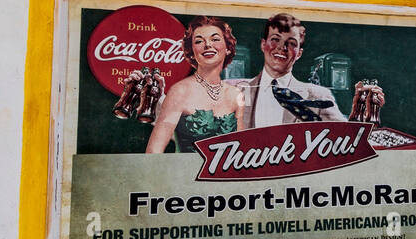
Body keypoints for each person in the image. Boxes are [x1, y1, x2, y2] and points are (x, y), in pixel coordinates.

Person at [145, 16, 247, 153]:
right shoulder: (180, 91)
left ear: (228, 48)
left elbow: (241, 149)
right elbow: (153, 151)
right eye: (199, 41)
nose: (208, 45)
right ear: (192, 52)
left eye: (215, 39)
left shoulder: (235, 95)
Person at [236, 12, 346, 127]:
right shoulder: (238, 92)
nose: (282, 47)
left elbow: (345, 134)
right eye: (275, 39)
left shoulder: (319, 96)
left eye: (292, 43)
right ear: (263, 44)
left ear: (299, 53)